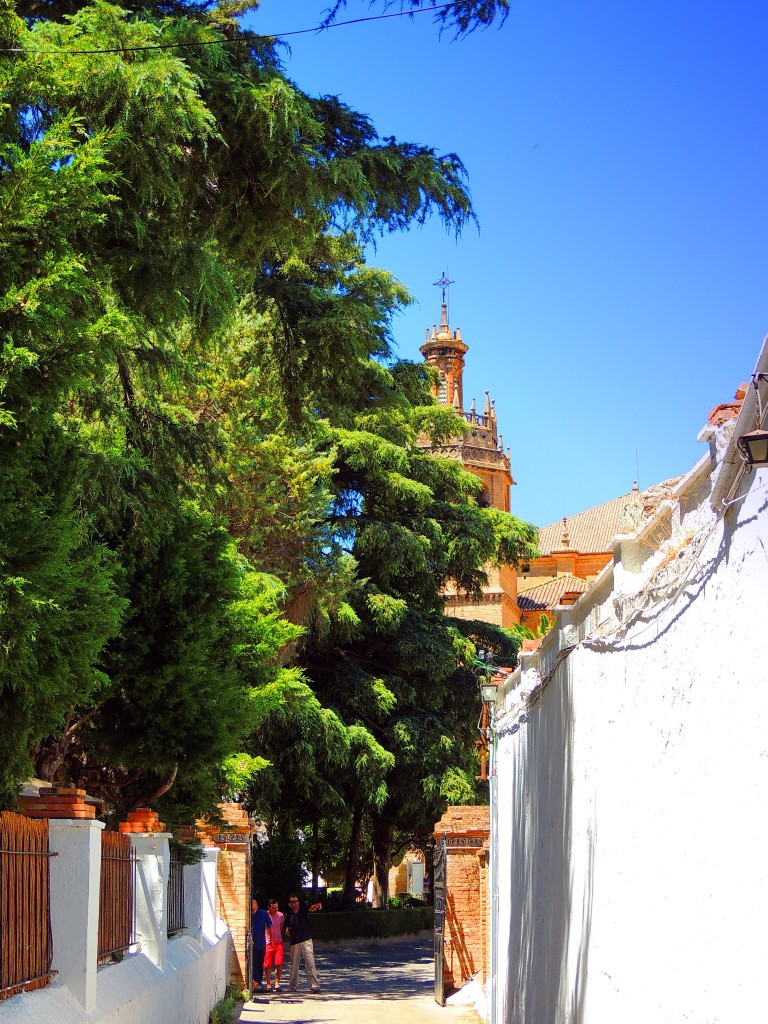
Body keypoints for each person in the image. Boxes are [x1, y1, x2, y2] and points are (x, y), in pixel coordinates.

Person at [284, 894, 322, 993]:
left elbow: (311, 909)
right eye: (293, 902)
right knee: (294, 965)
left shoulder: (303, 911)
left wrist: (316, 906)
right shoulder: (289, 915)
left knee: (310, 962)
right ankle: (292, 986)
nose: (296, 903)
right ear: (290, 904)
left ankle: (314, 986)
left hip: (306, 939)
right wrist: (287, 931)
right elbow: (287, 927)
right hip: (295, 941)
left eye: (297, 901)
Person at [250, 897, 272, 995]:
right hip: (252, 944)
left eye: (254, 908)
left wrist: (272, 939)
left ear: (257, 906)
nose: (253, 910)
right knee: (254, 963)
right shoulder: (248, 914)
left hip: (261, 943)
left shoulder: (263, 913)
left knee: (260, 964)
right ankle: (257, 983)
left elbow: (270, 925)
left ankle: (258, 983)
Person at [263, 898, 285, 992]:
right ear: (269, 907)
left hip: (278, 942)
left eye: (276, 907)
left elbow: (280, 927)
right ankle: (268, 983)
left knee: (279, 963)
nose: (275, 909)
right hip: (268, 942)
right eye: (273, 908)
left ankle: (277, 983)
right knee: (267, 964)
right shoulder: (265, 915)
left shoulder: (280, 915)